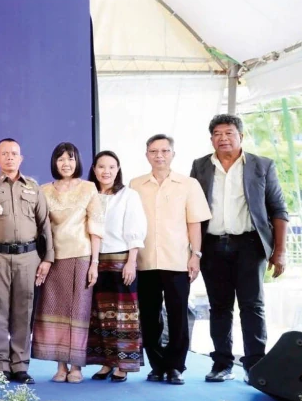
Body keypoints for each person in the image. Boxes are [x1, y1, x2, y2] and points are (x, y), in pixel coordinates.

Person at [190, 114, 289, 382]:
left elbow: (279, 209)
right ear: (211, 139)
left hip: (249, 245)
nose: (223, 138)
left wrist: (279, 252)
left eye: (229, 133)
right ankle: (222, 363)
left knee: (252, 305)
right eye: (217, 134)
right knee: (219, 306)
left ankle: (255, 365)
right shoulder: (200, 166)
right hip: (211, 245)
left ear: (241, 136)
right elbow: (191, 211)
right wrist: (191, 251)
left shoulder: (261, 165)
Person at [0, 138, 53, 384]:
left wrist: (48, 258)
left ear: (21, 158)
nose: (9, 157)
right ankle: (1, 366)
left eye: (14, 153)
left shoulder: (34, 187)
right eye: (4, 154)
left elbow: (44, 223)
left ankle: (21, 365)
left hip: (28, 257)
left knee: (23, 311)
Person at [131, 134, 211, 385]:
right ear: (146, 155)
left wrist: (195, 256)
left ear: (173, 154)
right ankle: (156, 365)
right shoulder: (135, 185)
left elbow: (194, 223)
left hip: (178, 260)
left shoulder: (188, 184)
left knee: (178, 314)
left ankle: (176, 366)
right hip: (145, 261)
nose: (159, 156)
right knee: (149, 315)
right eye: (154, 151)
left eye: (165, 151)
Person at [32, 143, 104, 383]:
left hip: (81, 257)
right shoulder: (43, 190)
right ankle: (60, 367)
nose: (66, 163)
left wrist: (95, 263)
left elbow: (96, 228)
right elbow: (41, 229)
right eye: (61, 159)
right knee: (54, 312)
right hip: (53, 259)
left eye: (70, 159)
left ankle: (77, 368)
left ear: (77, 162)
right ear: (54, 162)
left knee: (78, 314)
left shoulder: (89, 188)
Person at [86, 151, 147, 381]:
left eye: (112, 167)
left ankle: (123, 365)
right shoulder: (90, 195)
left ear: (118, 169)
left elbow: (135, 229)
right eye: (101, 167)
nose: (106, 171)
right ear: (94, 169)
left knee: (123, 316)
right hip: (96, 261)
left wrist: (131, 262)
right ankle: (106, 362)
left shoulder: (128, 195)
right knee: (101, 316)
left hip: (122, 259)